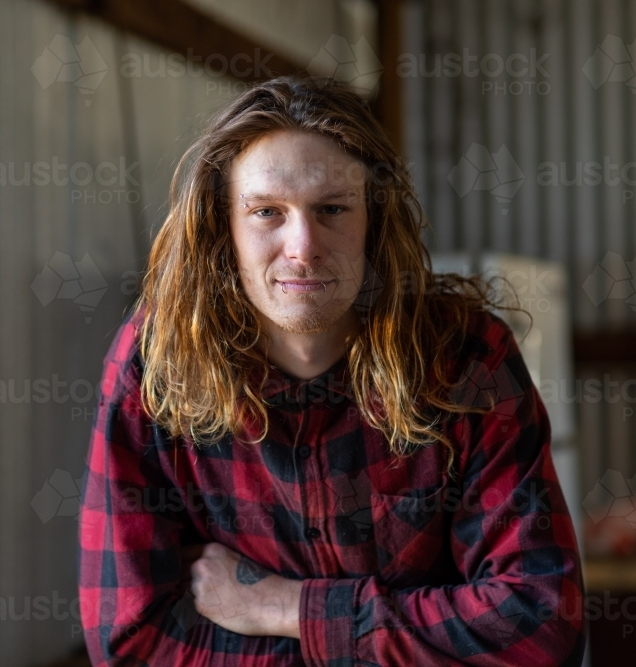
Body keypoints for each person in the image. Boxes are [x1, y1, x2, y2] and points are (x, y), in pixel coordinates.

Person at [78, 75, 586, 666]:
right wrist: (391, 637)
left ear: (374, 219)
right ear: (224, 230)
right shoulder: (157, 361)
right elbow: (131, 642)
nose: (303, 246)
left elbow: (541, 625)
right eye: (267, 212)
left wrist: (284, 608)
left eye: (332, 209)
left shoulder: (467, 359)